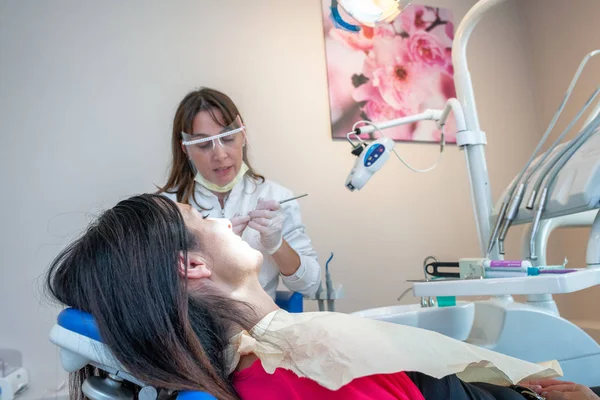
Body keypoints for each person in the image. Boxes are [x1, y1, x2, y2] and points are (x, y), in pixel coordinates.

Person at [46, 194, 600, 400]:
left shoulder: (278, 361)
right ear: (191, 264)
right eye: (202, 217)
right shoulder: (297, 373)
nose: (222, 217)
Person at [157, 87, 321, 299]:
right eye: (204, 144)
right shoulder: (168, 208)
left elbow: (310, 286)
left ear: (242, 136)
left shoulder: (276, 196)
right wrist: (209, 251)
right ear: (186, 149)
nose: (220, 154)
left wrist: (276, 243)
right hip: (195, 328)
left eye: (227, 139)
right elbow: (157, 293)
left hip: (260, 326)